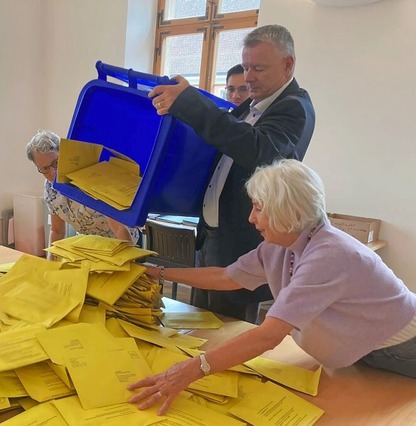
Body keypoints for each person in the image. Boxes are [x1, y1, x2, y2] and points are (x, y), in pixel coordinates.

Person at [128, 159, 416, 415]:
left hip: (405, 346)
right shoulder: (281, 246)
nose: (251, 218)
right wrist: (159, 273)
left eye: (258, 208)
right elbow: (228, 277)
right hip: (370, 347)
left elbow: (268, 337)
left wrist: (190, 370)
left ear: (287, 211)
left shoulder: (330, 254)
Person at [149, 24, 316, 322]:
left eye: (259, 68)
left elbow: (257, 150)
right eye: (246, 66)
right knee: (198, 325)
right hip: (211, 238)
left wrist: (189, 102)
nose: (248, 76)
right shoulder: (248, 109)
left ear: (288, 64)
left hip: (243, 243)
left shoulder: (294, 107)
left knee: (227, 334)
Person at [25, 130, 140, 248]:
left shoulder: (88, 176)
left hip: (118, 244)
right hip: (89, 246)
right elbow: (57, 231)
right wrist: (50, 262)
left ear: (64, 153)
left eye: (56, 162)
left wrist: (127, 261)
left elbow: (119, 228)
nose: (53, 172)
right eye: (45, 169)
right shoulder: (50, 188)